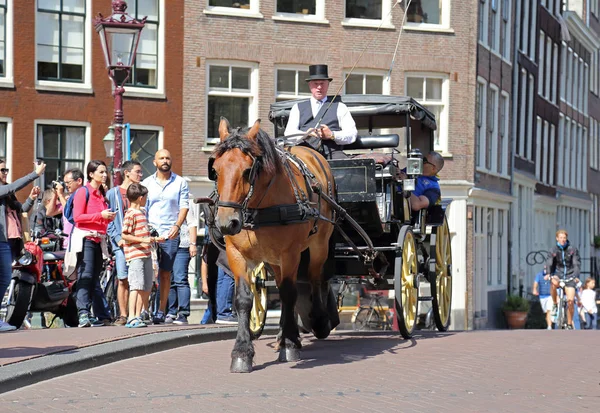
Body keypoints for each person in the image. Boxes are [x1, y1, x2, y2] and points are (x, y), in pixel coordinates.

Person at [142, 149, 189, 324]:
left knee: (165, 274)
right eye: (161, 158)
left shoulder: (180, 182)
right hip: (151, 234)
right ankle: (144, 309)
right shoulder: (147, 183)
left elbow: (184, 206)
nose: (165, 161)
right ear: (154, 162)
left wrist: (177, 226)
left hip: (170, 233)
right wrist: (143, 229)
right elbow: (143, 208)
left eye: (168, 158)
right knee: (147, 272)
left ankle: (161, 310)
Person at [0, 159, 46, 332]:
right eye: (2, 170)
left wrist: (31, 199)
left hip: (10, 242)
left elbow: (22, 210)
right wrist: (35, 174)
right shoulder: (3, 190)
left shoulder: (8, 196)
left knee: (4, 279)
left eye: (6, 170)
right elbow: (12, 187)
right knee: (3, 278)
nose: (5, 173)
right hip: (1, 241)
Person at [72, 160, 116, 328]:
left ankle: (93, 314)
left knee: (94, 278)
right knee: (86, 275)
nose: (105, 175)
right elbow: (78, 218)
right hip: (86, 239)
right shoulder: (83, 192)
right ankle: (83, 313)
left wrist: (108, 218)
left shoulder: (102, 193)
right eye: (101, 172)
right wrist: (100, 215)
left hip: (99, 240)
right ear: (91, 174)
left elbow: (101, 217)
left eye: (106, 172)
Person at [284, 64, 357, 160]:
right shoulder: (297, 108)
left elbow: (352, 134)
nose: (319, 87)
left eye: (322, 83)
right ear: (310, 85)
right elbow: (289, 133)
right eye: (315, 83)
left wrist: (332, 135)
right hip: (305, 154)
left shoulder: (340, 107)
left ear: (328, 84)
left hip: (332, 154)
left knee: (346, 168)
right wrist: (305, 134)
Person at [121, 183, 163, 328]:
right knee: (136, 286)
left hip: (145, 254)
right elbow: (125, 235)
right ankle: (131, 317)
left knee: (146, 286)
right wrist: (144, 240)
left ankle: (138, 315)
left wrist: (155, 239)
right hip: (136, 256)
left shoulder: (142, 213)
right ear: (140, 198)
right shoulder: (131, 214)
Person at [106, 160, 143, 326]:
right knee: (123, 278)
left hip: (139, 243)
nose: (140, 175)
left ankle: (136, 314)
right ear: (127, 173)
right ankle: (123, 314)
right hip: (121, 244)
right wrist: (117, 238)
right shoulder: (113, 194)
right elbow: (108, 220)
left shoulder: (141, 193)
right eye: (137, 171)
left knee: (139, 279)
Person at [166, 204, 197, 325]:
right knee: (170, 279)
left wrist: (192, 243)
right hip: (167, 243)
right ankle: (171, 311)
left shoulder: (185, 202)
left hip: (182, 244)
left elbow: (192, 223)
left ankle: (183, 313)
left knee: (180, 279)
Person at [544, 229, 580, 330]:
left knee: (570, 301)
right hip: (558, 274)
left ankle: (569, 323)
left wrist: (576, 275)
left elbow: (576, 263)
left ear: (566, 238)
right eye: (560, 238)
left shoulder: (572, 249)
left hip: (570, 275)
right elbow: (549, 262)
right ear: (557, 238)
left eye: (564, 238)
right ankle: (555, 304)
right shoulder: (553, 249)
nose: (562, 240)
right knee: (553, 282)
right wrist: (548, 273)